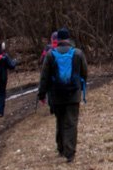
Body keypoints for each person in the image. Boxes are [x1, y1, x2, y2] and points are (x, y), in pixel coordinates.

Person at [37, 28, 88, 162]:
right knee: (71, 123)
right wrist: (80, 87)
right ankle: (69, 153)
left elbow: (44, 77)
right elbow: (85, 73)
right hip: (73, 95)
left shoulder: (50, 55)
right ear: (68, 39)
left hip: (56, 95)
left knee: (60, 121)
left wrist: (41, 94)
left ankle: (61, 148)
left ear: (57, 39)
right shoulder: (78, 53)